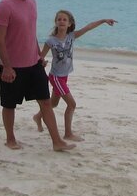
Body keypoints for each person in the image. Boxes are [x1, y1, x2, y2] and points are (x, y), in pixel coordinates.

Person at [0, 0, 75, 151]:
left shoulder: (32, 3)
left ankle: (57, 142)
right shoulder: (5, 5)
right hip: (12, 66)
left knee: (45, 101)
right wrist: (7, 67)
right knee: (9, 105)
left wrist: (39, 55)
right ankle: (10, 139)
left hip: (33, 63)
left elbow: (30, 33)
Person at [32, 10, 116, 141]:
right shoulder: (50, 41)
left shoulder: (72, 36)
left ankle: (38, 117)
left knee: (53, 103)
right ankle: (68, 134)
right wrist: (42, 62)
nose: (61, 21)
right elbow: (40, 56)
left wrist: (103, 21)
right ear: (56, 22)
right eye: (59, 19)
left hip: (64, 76)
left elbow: (88, 27)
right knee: (72, 104)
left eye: (64, 20)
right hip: (56, 77)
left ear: (69, 24)